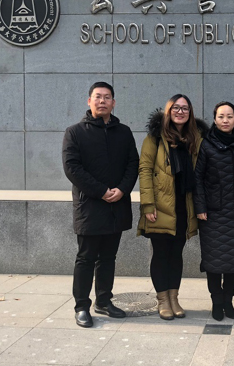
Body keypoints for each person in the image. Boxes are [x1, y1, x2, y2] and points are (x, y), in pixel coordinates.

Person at [62, 81, 139, 328]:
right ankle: (81, 307)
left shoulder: (124, 132)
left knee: (108, 257)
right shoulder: (75, 132)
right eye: (98, 96)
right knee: (86, 258)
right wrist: (102, 191)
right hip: (89, 206)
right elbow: (72, 168)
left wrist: (122, 189)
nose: (102, 101)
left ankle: (104, 301)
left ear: (113, 103)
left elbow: (133, 164)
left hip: (116, 204)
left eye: (107, 97)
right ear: (89, 101)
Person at [137, 94, 206, 320]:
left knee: (176, 253)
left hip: (184, 205)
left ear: (190, 113)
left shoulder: (195, 138)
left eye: (185, 108)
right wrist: (148, 204)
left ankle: (174, 298)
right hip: (160, 205)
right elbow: (145, 170)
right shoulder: (155, 137)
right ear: (168, 111)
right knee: (160, 253)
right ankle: (162, 300)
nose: (180, 112)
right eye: (176, 108)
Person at [194, 102, 234, 321]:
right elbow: (198, 178)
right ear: (215, 119)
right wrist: (200, 207)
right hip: (212, 213)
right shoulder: (206, 145)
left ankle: (228, 300)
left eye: (229, 116)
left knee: (233, 261)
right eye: (221, 116)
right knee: (214, 262)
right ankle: (216, 302)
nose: (225, 120)